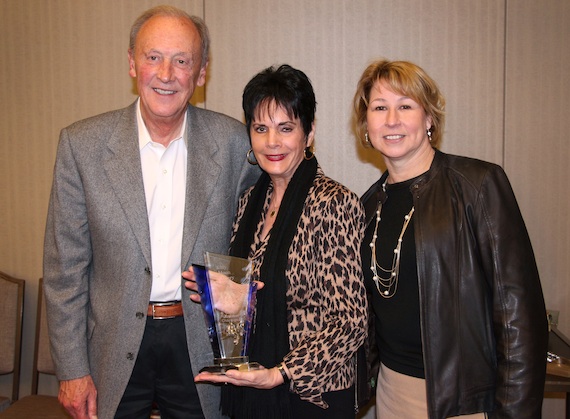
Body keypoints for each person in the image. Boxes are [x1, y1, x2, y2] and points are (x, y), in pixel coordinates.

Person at [42, 6, 259, 419]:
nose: (165, 74)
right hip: (113, 344)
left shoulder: (234, 142)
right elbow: (64, 271)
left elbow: (262, 230)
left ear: (201, 73)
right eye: (153, 57)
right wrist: (71, 370)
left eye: (182, 61)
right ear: (131, 62)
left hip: (200, 343)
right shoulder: (81, 146)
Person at [353, 59, 548, 418]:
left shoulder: (477, 185)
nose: (391, 119)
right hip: (391, 393)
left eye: (405, 106)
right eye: (379, 107)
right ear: (366, 124)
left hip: (465, 400)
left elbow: (519, 314)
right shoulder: (366, 207)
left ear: (429, 119)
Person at [183, 64, 368, 418]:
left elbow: (350, 322)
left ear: (309, 132)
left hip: (311, 394)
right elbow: (259, 294)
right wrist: (234, 297)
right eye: (260, 128)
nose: (272, 142)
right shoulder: (249, 202)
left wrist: (280, 373)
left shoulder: (334, 203)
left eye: (286, 128)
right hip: (252, 387)